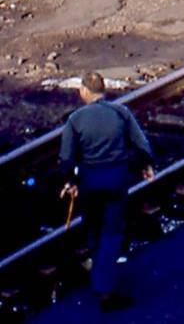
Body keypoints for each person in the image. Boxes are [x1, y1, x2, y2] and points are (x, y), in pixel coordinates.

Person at [59, 72, 154, 311]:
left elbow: (67, 156)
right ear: (104, 90)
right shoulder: (121, 113)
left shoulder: (75, 119)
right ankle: (105, 284)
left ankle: (100, 282)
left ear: (83, 90)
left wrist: (69, 181)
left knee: (93, 227)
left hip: (89, 181)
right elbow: (140, 143)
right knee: (112, 231)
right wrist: (146, 165)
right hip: (116, 179)